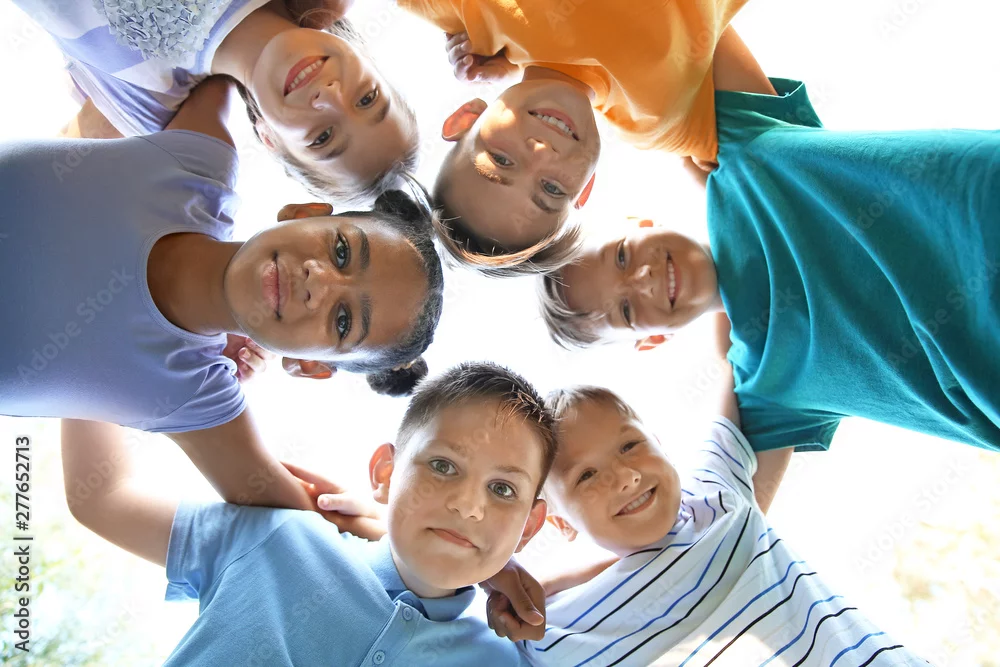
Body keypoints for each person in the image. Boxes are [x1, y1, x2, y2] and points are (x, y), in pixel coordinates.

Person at [536, 37, 1000, 458]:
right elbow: (731, 512)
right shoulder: (763, 386)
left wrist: (525, 57)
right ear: (653, 340)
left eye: (621, 255)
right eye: (627, 310)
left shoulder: (734, 149)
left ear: (640, 222)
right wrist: (726, 359)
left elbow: (671, 23)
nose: (643, 279)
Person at [1, 76, 445, 513]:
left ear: (310, 364)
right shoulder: (194, 165)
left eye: (344, 320)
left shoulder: (190, 395)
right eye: (342, 250)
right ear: (304, 212)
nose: (319, 282)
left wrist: (381, 524)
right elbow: (208, 49)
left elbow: (308, 527)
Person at [60, 362, 557, 666]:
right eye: (444, 466)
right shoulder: (279, 536)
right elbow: (104, 496)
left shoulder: (504, 659)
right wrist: (96, 348)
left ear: (530, 527)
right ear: (385, 474)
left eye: (502, 489)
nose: (468, 504)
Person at [493, 366, 927, 665]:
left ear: (661, 445)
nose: (625, 477)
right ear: (560, 522)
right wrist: (508, 578)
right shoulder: (545, 628)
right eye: (586, 475)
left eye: (630, 446)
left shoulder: (714, 497)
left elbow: (733, 361)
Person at [398, 0, 759, 274]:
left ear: (466, 119)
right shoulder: (660, 125)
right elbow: (766, 163)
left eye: (501, 160)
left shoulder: (482, 15)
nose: (542, 151)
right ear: (584, 188)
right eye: (551, 189)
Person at [14, 0, 418, 203]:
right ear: (371, 60)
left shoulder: (146, 104)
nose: (330, 96)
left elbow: (33, 191)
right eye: (368, 98)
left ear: (270, 139)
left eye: (323, 137)